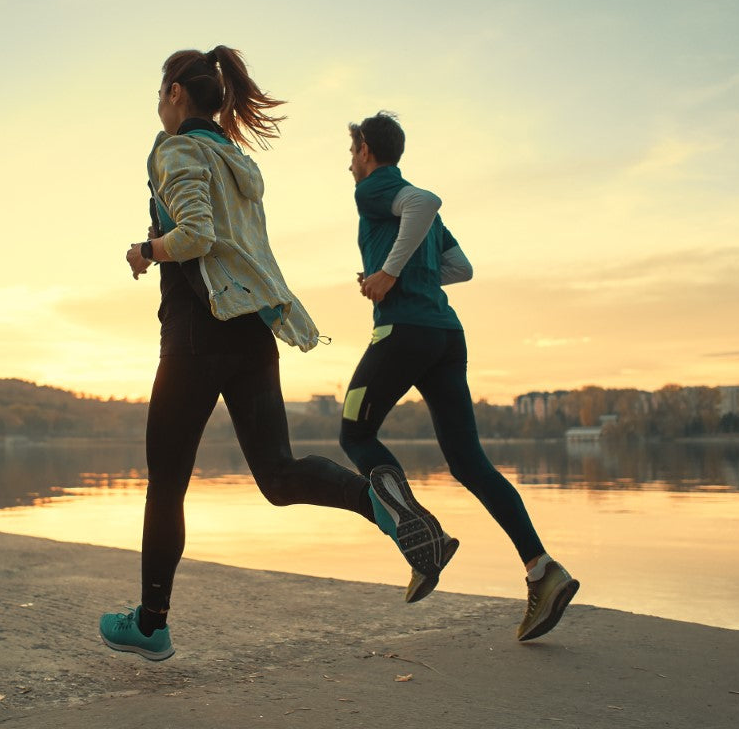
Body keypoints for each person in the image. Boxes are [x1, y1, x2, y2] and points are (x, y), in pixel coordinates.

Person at [99, 49, 454, 662]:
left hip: (196, 333)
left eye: (161, 94)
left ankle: (152, 624)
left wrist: (146, 249)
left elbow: (197, 237)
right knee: (279, 473)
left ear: (177, 93)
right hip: (253, 333)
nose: (158, 107)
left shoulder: (176, 149)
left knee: (167, 484)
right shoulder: (237, 160)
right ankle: (382, 505)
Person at [339, 111, 580, 642]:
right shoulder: (401, 209)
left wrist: (388, 274)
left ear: (368, 152)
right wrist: (410, 269)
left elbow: (425, 202)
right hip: (446, 336)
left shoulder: (378, 190)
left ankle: (422, 536)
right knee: (469, 462)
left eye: (352, 151)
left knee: (354, 433)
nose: (349, 162)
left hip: (403, 332)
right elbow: (460, 268)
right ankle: (543, 570)